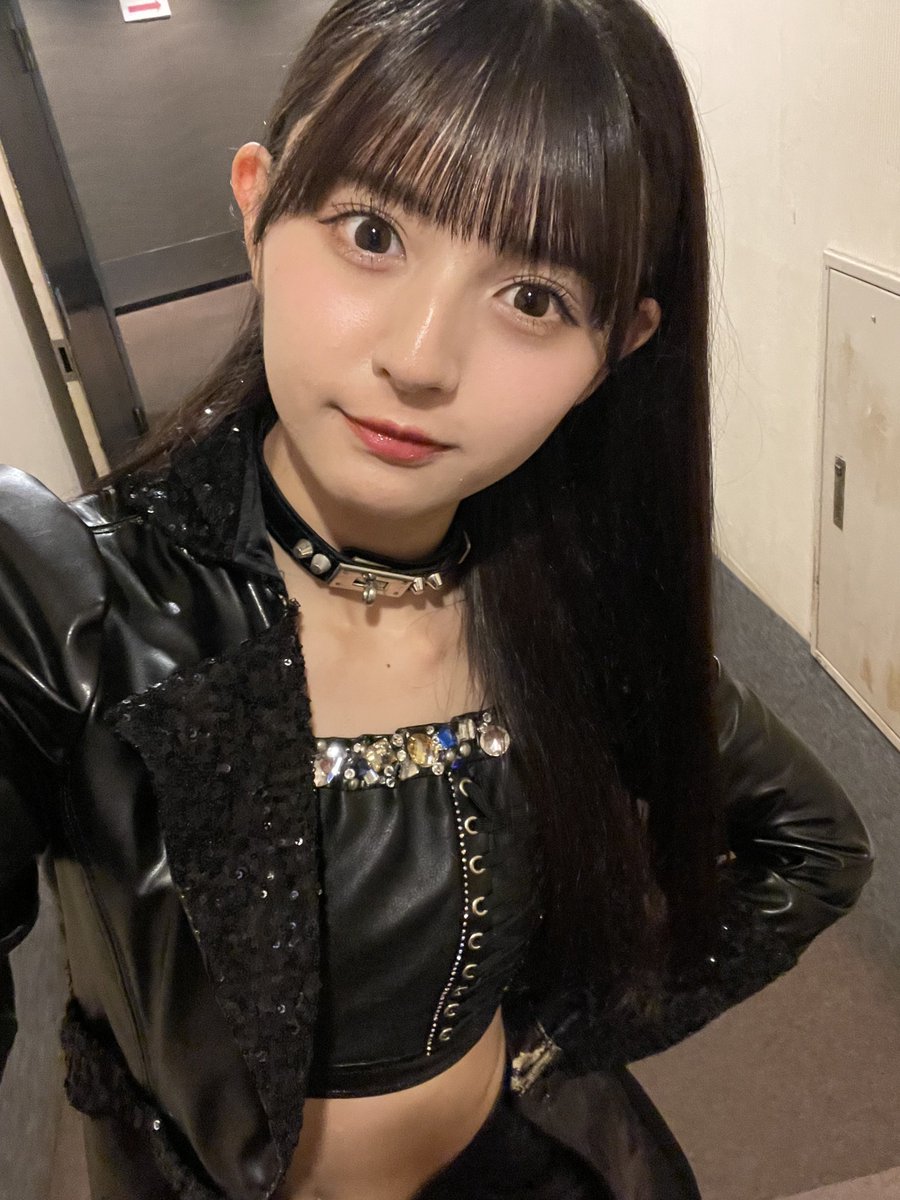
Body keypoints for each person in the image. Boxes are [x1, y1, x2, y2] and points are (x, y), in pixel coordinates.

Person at [0, 0, 875, 1197]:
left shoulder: (572, 613)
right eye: (371, 233)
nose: (420, 357)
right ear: (258, 204)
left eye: (534, 299)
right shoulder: (69, 605)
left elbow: (813, 844)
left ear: (618, 349)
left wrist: (561, 1038)